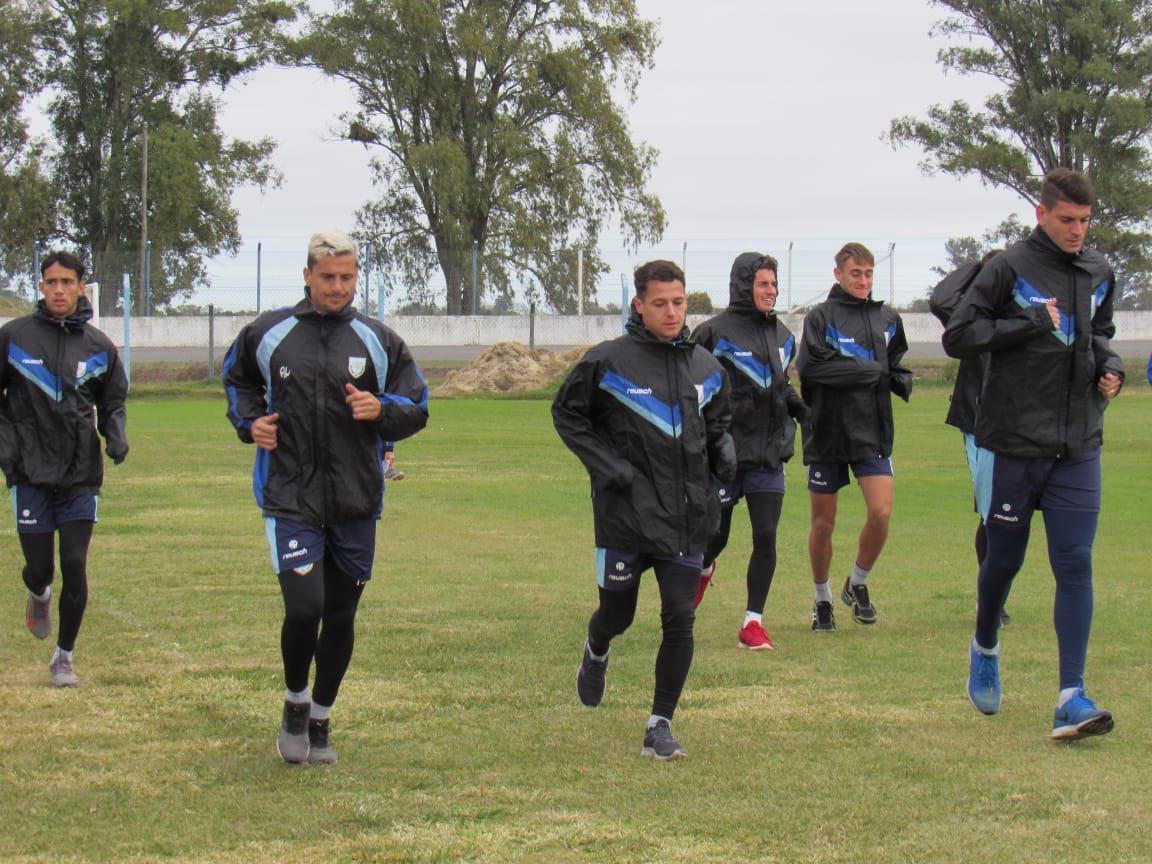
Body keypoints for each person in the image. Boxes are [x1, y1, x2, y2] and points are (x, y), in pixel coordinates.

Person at [223, 230, 428, 764]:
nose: (338, 287)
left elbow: (417, 405)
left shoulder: (379, 340)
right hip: (289, 494)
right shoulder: (268, 333)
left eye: (347, 277)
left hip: (357, 499)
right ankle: (294, 701)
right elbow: (236, 380)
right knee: (305, 608)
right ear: (308, 276)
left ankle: (321, 718)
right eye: (328, 277)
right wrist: (250, 424)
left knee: (340, 615)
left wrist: (382, 411)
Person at [944, 168, 1123, 740]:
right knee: (1005, 561)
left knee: (1074, 564)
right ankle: (985, 644)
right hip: (1013, 442)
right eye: (1066, 220)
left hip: (1077, 445)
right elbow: (959, 336)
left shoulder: (1099, 272)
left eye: (1085, 221)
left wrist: (1111, 367)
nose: (1077, 230)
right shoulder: (1008, 267)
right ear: (1042, 214)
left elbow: (1099, 334)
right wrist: (1025, 321)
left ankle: (1072, 694)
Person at [553, 259, 736, 760]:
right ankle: (596, 647)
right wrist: (605, 465)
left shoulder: (706, 367)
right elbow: (567, 414)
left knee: (680, 617)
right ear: (639, 305)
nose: (672, 312)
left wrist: (724, 450)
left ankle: (660, 725)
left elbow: (719, 422)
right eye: (660, 303)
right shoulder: (607, 362)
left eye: (678, 302)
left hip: (685, 517)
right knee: (618, 613)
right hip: (625, 515)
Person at [0, 250, 128, 687]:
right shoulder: (13, 337)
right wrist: (7, 448)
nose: (59, 290)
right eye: (51, 282)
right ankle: (38, 593)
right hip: (30, 471)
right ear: (41, 286)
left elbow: (112, 400)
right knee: (42, 569)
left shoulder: (99, 347)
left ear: (80, 287)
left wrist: (116, 433)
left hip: (79, 474)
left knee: (74, 563)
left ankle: (64, 658)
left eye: (67, 282)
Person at [692, 252, 807, 650]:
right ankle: (702, 572)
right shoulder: (711, 334)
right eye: (763, 284)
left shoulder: (784, 338)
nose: (771, 291)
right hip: (725, 457)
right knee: (714, 536)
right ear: (744, 286)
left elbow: (780, 387)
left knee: (766, 536)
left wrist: (800, 410)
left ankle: (752, 623)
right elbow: (695, 390)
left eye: (774, 284)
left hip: (769, 455)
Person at [796, 242, 912, 631]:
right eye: (855, 273)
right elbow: (811, 369)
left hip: (872, 432)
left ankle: (857, 582)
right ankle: (822, 598)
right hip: (826, 432)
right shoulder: (819, 318)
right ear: (838, 275)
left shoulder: (888, 319)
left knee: (881, 513)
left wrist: (898, 379)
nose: (862, 281)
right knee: (823, 524)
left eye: (868, 274)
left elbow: (891, 364)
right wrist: (866, 371)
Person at [930, 251, 1010, 626]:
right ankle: (989, 599)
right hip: (976, 424)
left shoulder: (1020, 316)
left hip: (1017, 424)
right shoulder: (970, 317)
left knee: (1009, 514)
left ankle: (994, 593)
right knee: (989, 511)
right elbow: (940, 299)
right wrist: (979, 267)